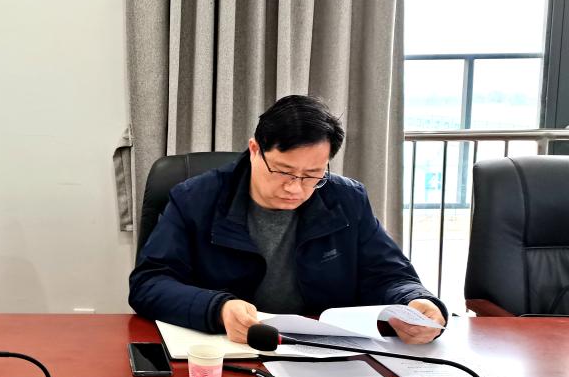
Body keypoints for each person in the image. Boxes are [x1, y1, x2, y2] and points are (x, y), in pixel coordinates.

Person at [129, 95, 446, 345]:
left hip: (322, 351)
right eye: (283, 171)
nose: (295, 188)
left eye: (312, 174)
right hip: (231, 350)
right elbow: (149, 284)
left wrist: (415, 301)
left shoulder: (346, 199)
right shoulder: (196, 198)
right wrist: (218, 308)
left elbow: (388, 274)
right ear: (255, 150)